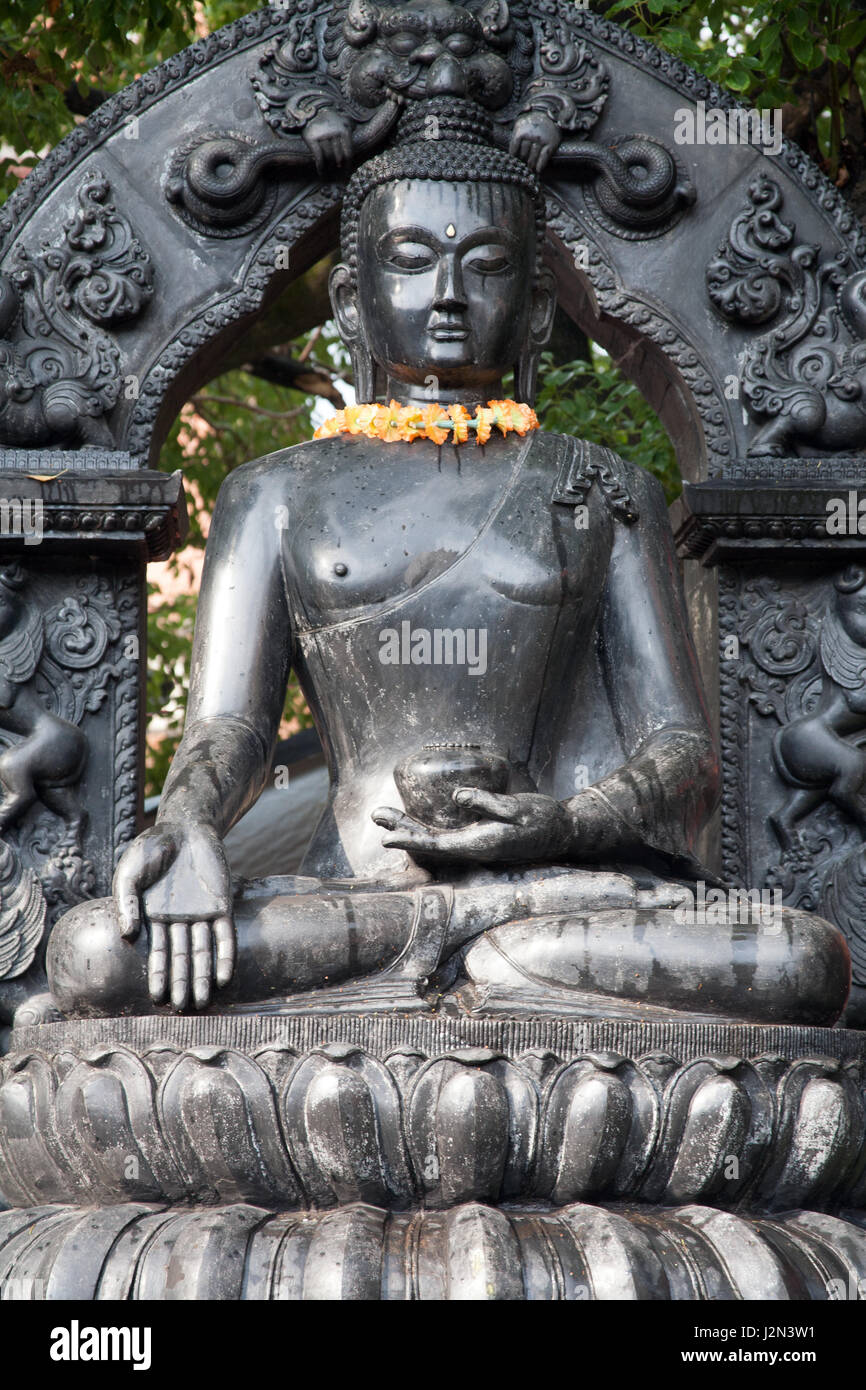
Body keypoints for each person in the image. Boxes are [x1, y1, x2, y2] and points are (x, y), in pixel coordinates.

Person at [47, 104, 850, 1026]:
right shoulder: (273, 492)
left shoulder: (600, 488)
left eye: (489, 265)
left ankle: (461, 983)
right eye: (414, 258)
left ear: (540, 310)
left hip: (556, 894)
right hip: (357, 899)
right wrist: (185, 819)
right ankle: (489, 986)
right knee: (97, 954)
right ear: (353, 299)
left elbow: (682, 758)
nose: (450, 293)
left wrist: (569, 825)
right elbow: (231, 728)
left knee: (797, 959)